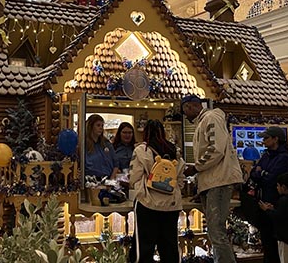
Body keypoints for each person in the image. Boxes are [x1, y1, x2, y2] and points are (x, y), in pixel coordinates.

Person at [181, 95, 242, 263]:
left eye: (184, 110)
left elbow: (216, 149)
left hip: (220, 181)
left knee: (217, 232)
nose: (185, 115)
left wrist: (195, 167)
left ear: (190, 106)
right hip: (213, 182)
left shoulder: (211, 117)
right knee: (215, 233)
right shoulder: (205, 121)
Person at [128, 120, 185, 263]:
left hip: (148, 203)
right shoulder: (175, 151)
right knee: (169, 247)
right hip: (171, 205)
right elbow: (181, 179)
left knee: (144, 248)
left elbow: (134, 176)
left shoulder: (142, 150)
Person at [250, 126, 288, 263]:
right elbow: (253, 174)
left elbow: (271, 179)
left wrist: (261, 172)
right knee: (267, 242)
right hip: (264, 203)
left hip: (275, 203)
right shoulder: (266, 155)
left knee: (274, 243)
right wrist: (261, 173)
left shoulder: (283, 158)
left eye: (266, 138)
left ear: (275, 139)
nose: (263, 141)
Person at [259, 173, 288, 263]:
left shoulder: (283, 201)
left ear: (283, 187)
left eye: (278, 186)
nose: (277, 188)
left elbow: (278, 217)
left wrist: (267, 210)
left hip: (285, 238)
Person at [84, 114, 119, 179]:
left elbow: (116, 163)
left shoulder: (106, 144)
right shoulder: (84, 145)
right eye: (98, 125)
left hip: (106, 179)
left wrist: (111, 179)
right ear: (91, 127)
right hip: (90, 180)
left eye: (102, 125)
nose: (101, 128)